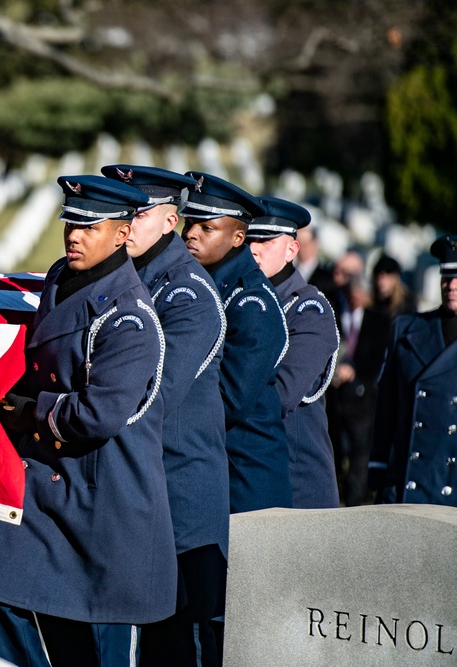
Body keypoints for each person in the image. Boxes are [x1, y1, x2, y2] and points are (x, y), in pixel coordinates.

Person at [0, 174, 176, 666]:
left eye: (91, 226)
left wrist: (32, 412)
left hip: (105, 502)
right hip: (50, 494)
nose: (75, 235)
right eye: (72, 223)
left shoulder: (129, 317)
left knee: (99, 651)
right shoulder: (59, 278)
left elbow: (99, 414)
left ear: (123, 233)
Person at [100, 165, 229, 666]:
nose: (126, 223)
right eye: (123, 212)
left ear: (170, 221)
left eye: (139, 212)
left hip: (178, 500)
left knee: (179, 648)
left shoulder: (188, 295)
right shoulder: (119, 277)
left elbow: (149, 394)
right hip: (132, 487)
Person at [180, 172, 292, 514]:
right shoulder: (202, 286)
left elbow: (230, 401)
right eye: (189, 223)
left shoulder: (251, 303)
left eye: (206, 228)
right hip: (207, 468)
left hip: (244, 479)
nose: (190, 234)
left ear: (238, 237)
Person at [246, 197, 340, 509]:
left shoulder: (307, 310)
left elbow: (281, 395)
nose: (253, 248)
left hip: (298, 486)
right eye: (248, 238)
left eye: (265, 240)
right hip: (251, 477)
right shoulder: (242, 301)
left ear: (291, 250)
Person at [369, 235, 457, 506]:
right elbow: (387, 408)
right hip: (406, 486)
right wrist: (378, 470)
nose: (451, 285)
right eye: (446, 275)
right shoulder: (407, 329)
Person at [329, 273, 390, 505]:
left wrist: (356, 375)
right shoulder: (334, 313)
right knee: (335, 450)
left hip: (362, 401)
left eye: (359, 297)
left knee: (359, 453)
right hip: (335, 397)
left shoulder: (378, 320)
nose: (355, 302)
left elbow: (377, 361)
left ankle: (355, 500)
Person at [371, 254, 417, 319]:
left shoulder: (407, 302)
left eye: (385, 277)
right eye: (378, 277)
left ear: (394, 278)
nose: (380, 282)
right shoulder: (372, 302)